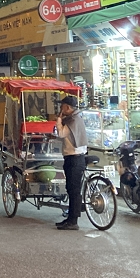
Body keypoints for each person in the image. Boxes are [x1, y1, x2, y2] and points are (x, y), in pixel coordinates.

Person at [53, 95, 87, 230]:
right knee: (72, 188)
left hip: (74, 158)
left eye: (62, 107)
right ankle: (70, 218)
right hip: (75, 157)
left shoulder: (72, 120)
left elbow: (61, 133)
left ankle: (73, 221)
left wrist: (59, 119)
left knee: (73, 190)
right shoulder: (76, 118)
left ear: (67, 107)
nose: (61, 109)